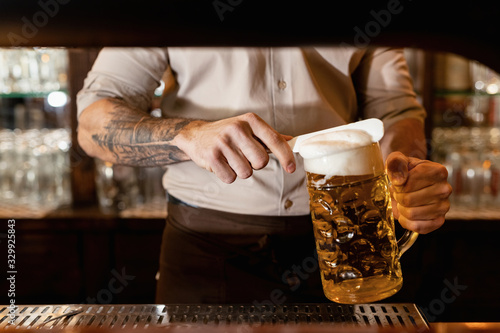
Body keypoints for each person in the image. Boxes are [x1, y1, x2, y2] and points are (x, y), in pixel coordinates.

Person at [77, 47, 452, 304]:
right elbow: (92, 124)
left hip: (345, 239)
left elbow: (397, 111)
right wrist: (187, 135)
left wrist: (405, 168)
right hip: (206, 247)